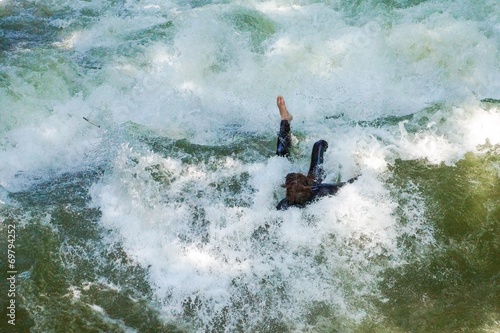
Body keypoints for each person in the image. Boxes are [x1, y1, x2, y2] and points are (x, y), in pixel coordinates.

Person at [274, 96, 358, 210]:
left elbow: (348, 185)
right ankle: (285, 118)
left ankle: (285, 119)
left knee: (317, 145)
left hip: (314, 182)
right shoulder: (286, 203)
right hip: (313, 183)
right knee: (282, 157)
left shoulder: (321, 190)